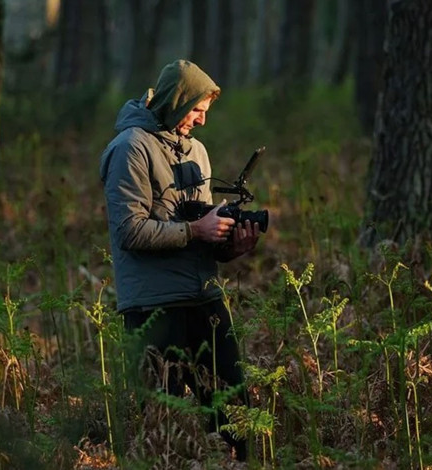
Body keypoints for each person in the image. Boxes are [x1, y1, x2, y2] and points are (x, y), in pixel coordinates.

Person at [99, 59, 262, 461]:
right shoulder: (130, 148)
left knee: (234, 415)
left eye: (206, 113)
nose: (202, 122)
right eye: (196, 111)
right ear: (176, 101)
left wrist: (230, 244)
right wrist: (195, 231)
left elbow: (201, 227)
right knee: (160, 427)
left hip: (203, 298)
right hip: (153, 307)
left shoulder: (197, 151)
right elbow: (129, 231)